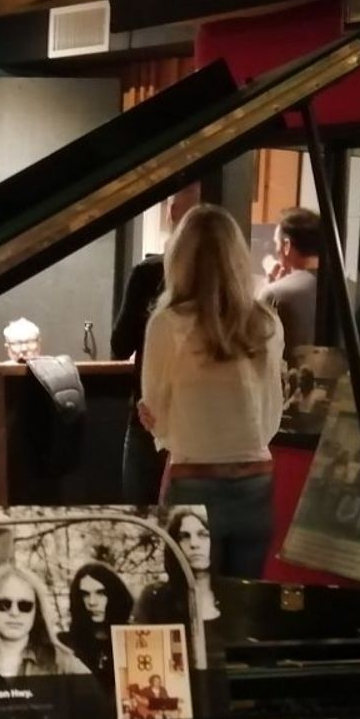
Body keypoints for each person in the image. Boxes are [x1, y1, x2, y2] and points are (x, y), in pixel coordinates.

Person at [137, 206, 284, 578]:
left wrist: (161, 426)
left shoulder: (168, 324)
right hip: (257, 481)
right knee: (245, 609)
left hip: (195, 480)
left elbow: (158, 412)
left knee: (195, 608)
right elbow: (270, 415)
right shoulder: (266, 322)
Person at [112, 187, 198, 503]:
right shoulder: (221, 284)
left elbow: (120, 345)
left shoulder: (148, 274)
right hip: (196, 422)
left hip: (150, 417)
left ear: (171, 214)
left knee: (143, 519)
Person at [0, 563, 91, 679]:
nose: (14, 613)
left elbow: (100, 713)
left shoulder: (64, 665)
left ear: (36, 611)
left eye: (25, 606)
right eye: (4, 604)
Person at [133, 506, 220, 625]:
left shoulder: (238, 596)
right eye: (184, 537)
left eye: (203, 535)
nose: (194, 544)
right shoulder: (155, 600)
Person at [262, 207, 323, 354]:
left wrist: (270, 286)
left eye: (276, 242)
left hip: (290, 375)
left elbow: (254, 344)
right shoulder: (350, 289)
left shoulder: (275, 293)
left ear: (287, 245)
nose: (276, 249)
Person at [62, 561, 133, 683]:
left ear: (115, 594)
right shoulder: (65, 645)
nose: (92, 602)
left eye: (101, 593)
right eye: (85, 594)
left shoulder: (134, 641)